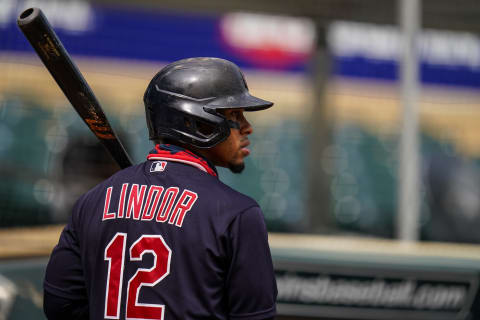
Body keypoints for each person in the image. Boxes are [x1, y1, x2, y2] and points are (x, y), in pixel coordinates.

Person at [43, 57, 278, 320]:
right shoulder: (238, 214)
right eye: (235, 115)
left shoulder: (94, 200)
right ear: (198, 123)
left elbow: (59, 305)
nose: (248, 127)